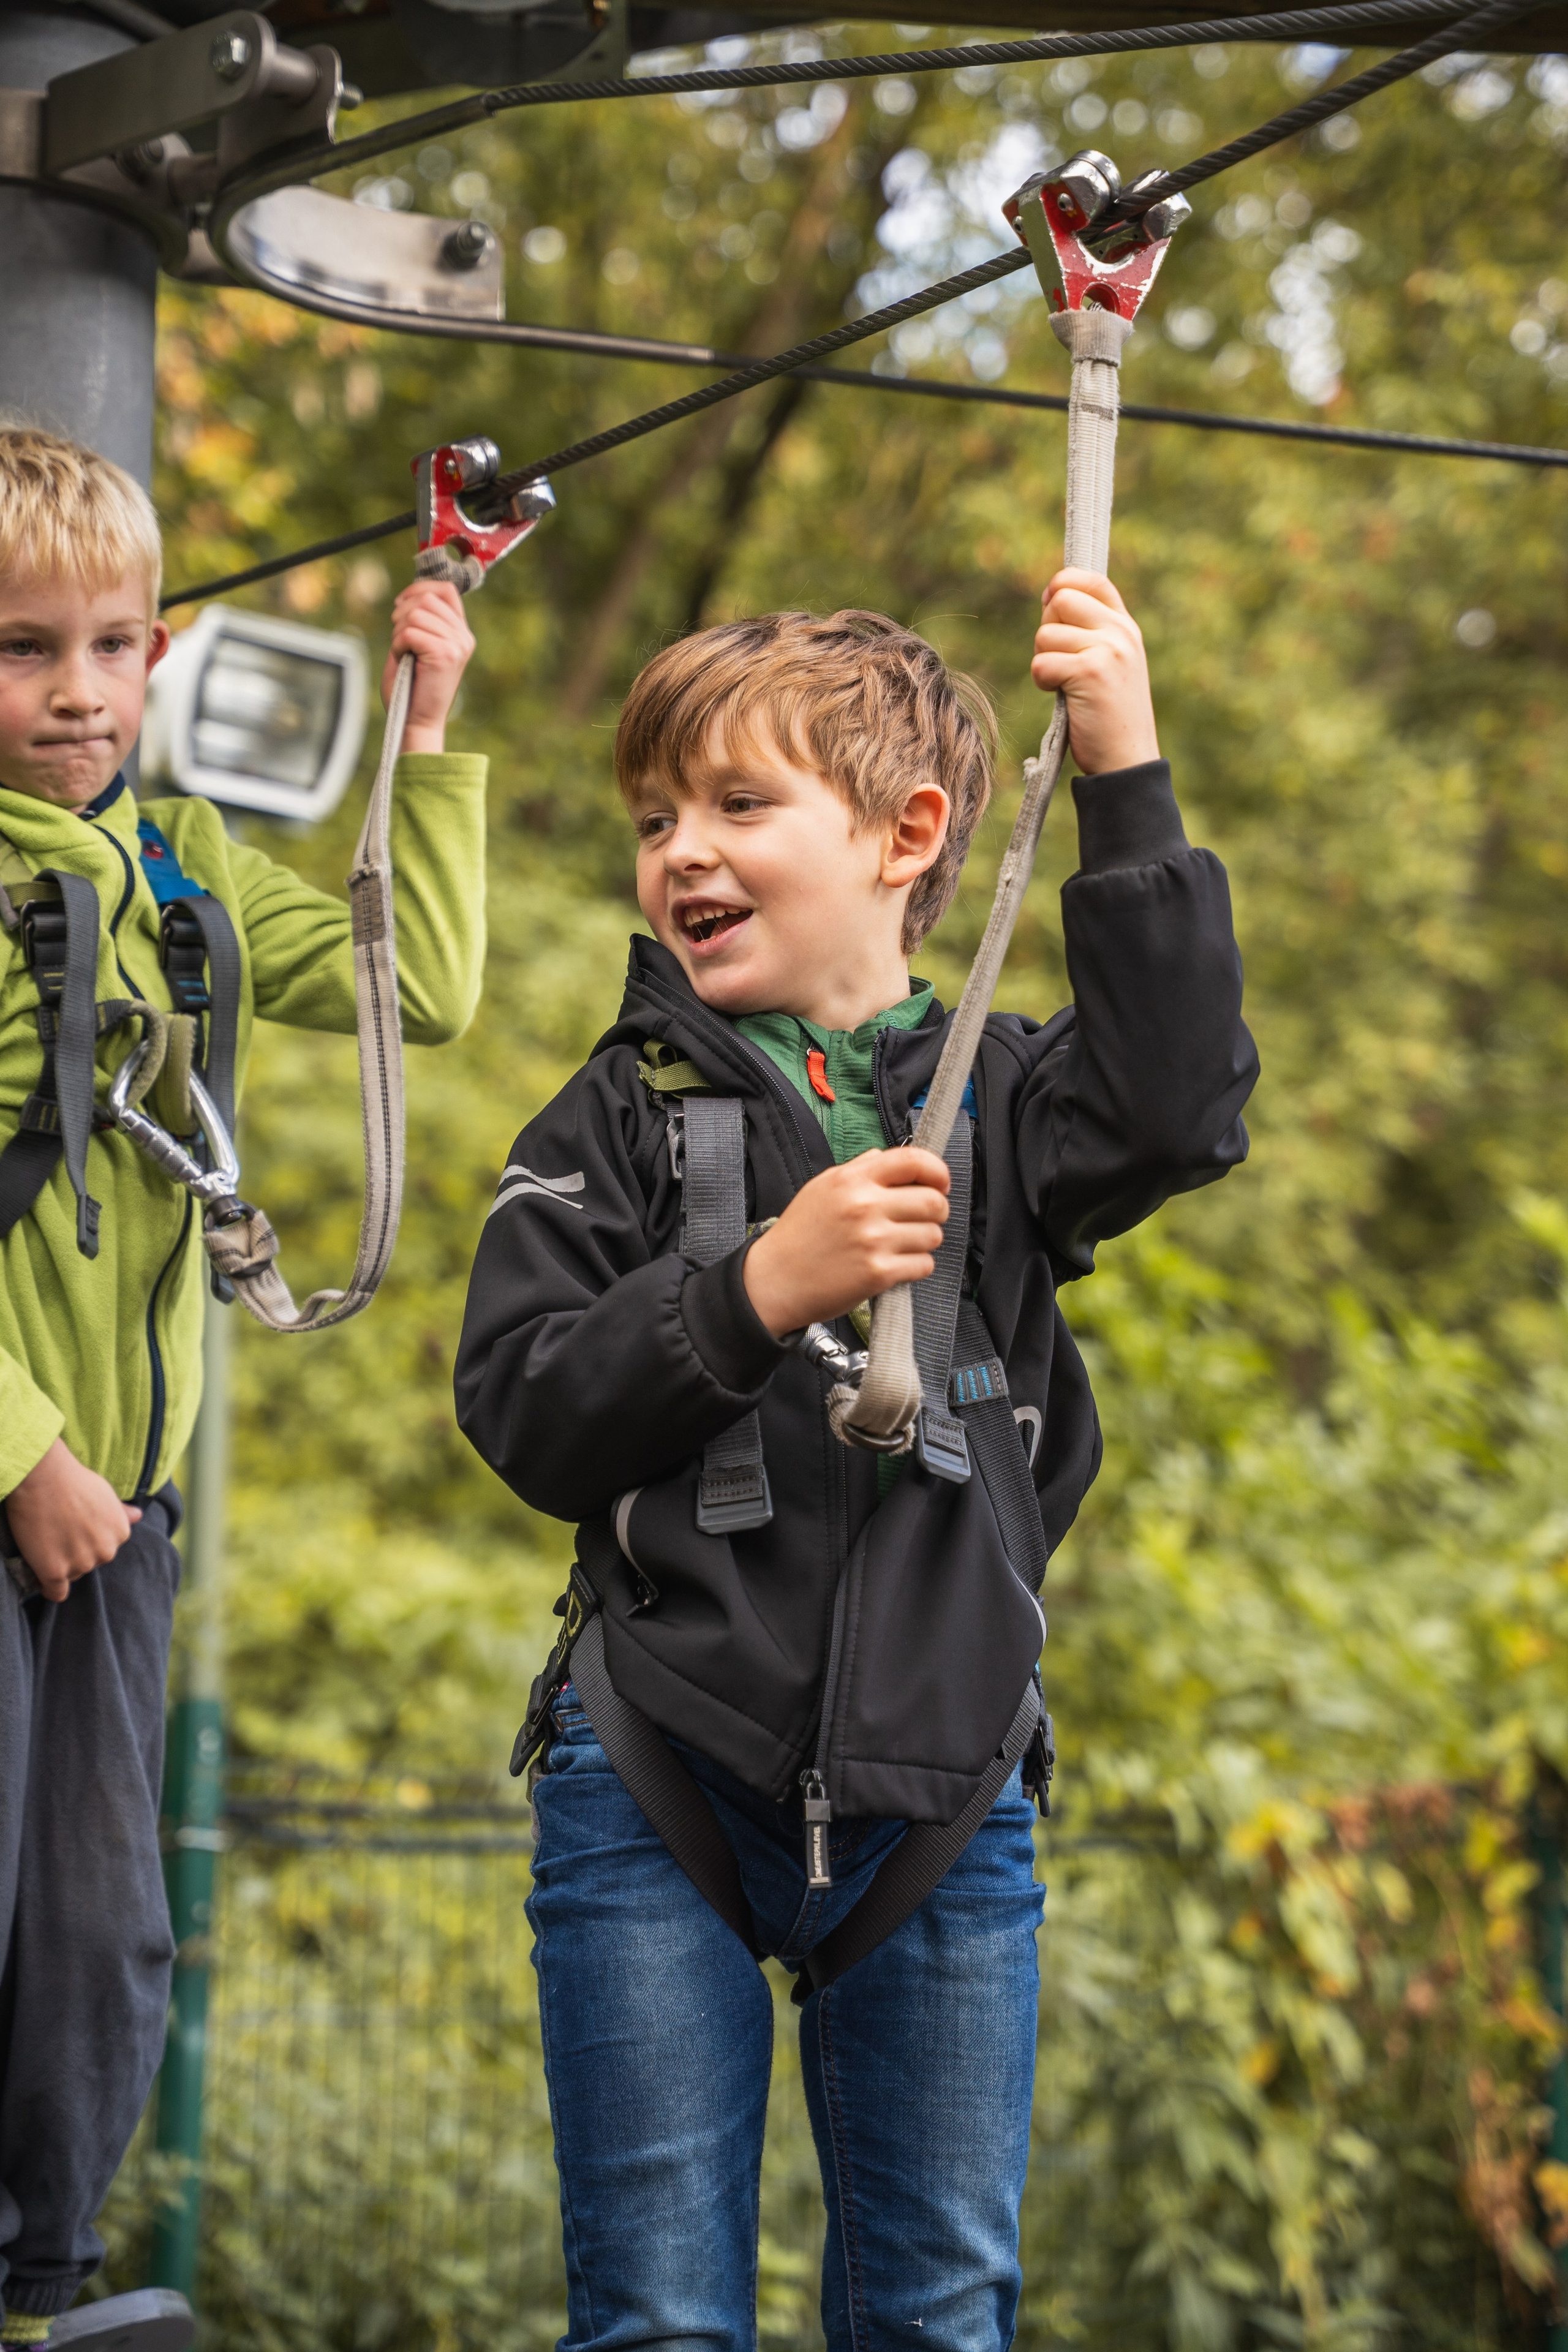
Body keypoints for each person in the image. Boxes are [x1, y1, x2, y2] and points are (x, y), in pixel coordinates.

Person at [455, 573, 1258, 2352]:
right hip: (660, 1758)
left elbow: (1186, 1099)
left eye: (741, 807)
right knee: (658, 2314)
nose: (683, 852)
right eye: (658, 818)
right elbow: (522, 1402)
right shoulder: (615, 1116)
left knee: (938, 2312)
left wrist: (1121, 762)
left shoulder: (1007, 1104)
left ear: (907, 837)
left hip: (946, 1789)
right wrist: (752, 1290)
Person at [0, 426, 487, 2351]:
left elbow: (417, 988)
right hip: (30, 1478)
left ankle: (37, 2294)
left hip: (120, 1516)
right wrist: (22, 1447)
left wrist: (424, 735)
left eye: (115, 648)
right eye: (26, 647)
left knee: (103, 1951)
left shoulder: (182, 878)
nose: (76, 692)